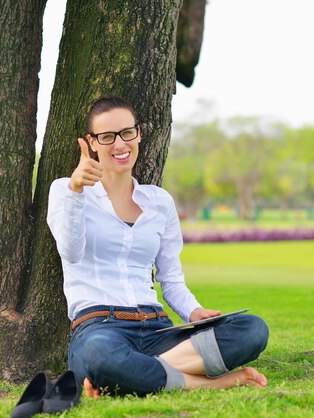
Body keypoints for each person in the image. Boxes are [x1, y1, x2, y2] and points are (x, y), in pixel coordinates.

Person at [46, 95, 269, 397]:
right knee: (100, 357)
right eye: (107, 137)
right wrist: (76, 189)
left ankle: (128, 376)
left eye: (127, 132)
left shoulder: (159, 201)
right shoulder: (66, 190)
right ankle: (211, 382)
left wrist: (193, 311)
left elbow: (171, 278)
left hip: (157, 329)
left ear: (138, 133)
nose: (120, 144)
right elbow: (71, 253)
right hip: (99, 328)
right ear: (92, 143)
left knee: (252, 330)